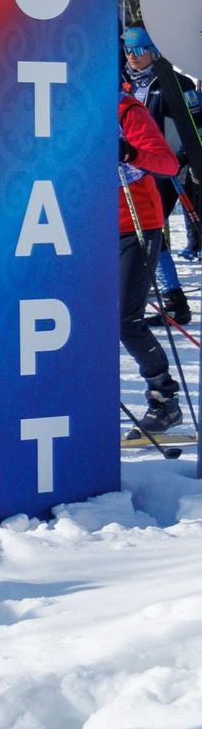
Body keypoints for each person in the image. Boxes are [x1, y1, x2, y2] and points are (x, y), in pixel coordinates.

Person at [125, 25, 202, 321]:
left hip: (165, 170)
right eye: (128, 50)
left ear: (154, 51)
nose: (132, 56)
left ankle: (173, 300)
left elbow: (193, 127)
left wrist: (186, 161)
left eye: (139, 50)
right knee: (149, 234)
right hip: (133, 170)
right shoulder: (125, 82)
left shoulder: (174, 83)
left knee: (149, 232)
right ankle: (169, 298)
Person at [120, 90, 183, 435]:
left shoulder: (126, 110)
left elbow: (168, 163)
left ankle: (164, 399)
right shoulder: (58, 105)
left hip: (134, 224)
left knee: (124, 320)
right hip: (83, 227)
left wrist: (129, 152)